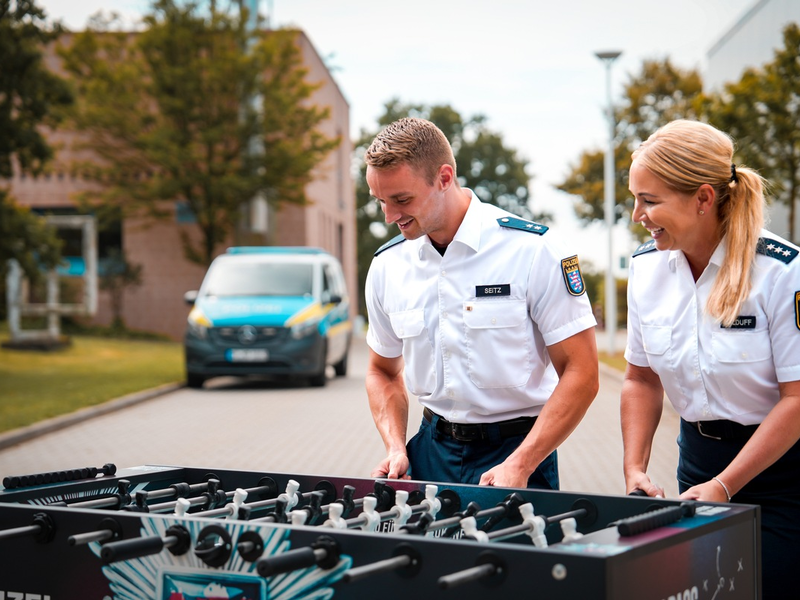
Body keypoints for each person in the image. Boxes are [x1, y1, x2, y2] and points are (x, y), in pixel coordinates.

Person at [363, 117, 599, 490]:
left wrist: (521, 464)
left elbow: (582, 372)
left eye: (401, 200)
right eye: (380, 202)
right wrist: (395, 446)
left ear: (444, 178)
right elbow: (382, 371)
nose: (390, 217)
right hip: (429, 454)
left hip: (519, 453)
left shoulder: (533, 250)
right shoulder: (388, 266)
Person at [622, 119, 800, 599]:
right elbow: (640, 379)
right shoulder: (644, 270)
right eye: (635, 198)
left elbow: (797, 400)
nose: (637, 214)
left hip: (782, 478)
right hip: (698, 467)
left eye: (650, 200)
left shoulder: (782, 273)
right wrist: (634, 467)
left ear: (703, 199)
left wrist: (727, 485)